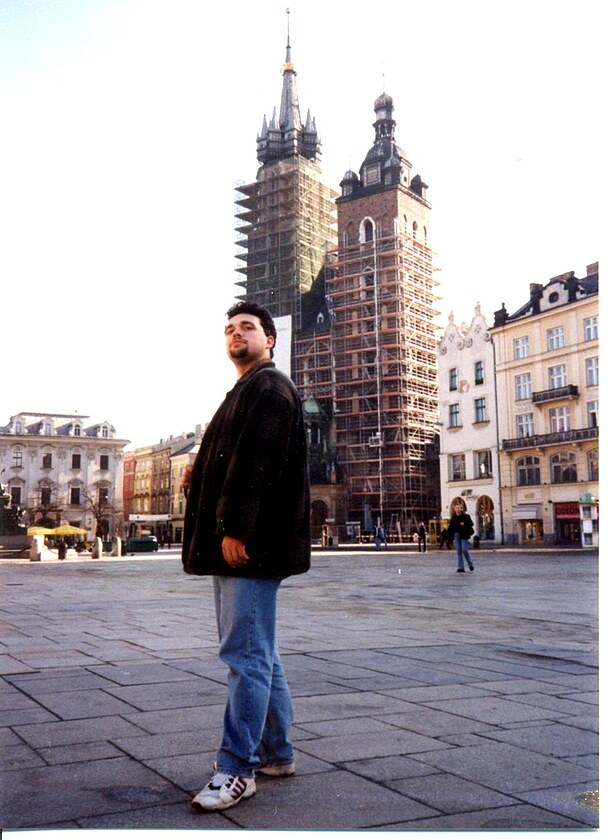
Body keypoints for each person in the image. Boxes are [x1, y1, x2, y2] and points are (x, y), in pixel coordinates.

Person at [182, 301, 311, 813]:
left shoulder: (269, 387)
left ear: (269, 340)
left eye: (248, 328)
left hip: (250, 545)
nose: (237, 334)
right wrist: (199, 476)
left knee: (245, 655)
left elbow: (259, 463)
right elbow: (233, 459)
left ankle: (237, 769)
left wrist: (237, 527)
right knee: (261, 652)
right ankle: (277, 754)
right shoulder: (247, 388)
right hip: (245, 543)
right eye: (230, 329)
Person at [447, 503, 475, 572]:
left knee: (464, 550)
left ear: (461, 509)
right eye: (456, 508)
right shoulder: (453, 517)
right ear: (454, 509)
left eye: (458, 508)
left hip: (464, 535)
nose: (457, 509)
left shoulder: (466, 516)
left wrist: (464, 524)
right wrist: (448, 536)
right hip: (456, 535)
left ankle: (470, 564)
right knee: (459, 551)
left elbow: (471, 524)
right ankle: (461, 567)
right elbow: (450, 527)